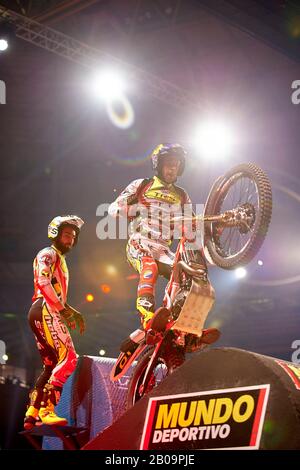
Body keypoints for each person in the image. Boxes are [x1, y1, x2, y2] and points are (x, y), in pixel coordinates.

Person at [109, 143, 219, 356]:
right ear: (158, 165)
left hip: (163, 249)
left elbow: (189, 225)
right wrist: (137, 208)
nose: (172, 169)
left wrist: (207, 229)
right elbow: (114, 209)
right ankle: (147, 316)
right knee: (148, 265)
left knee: (194, 277)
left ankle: (187, 331)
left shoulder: (182, 194)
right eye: (169, 165)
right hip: (140, 243)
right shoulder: (142, 185)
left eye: (177, 166)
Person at [24, 215, 85, 430]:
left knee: (50, 364)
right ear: (55, 233)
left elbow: (50, 286)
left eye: (73, 237)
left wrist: (69, 310)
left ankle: (32, 413)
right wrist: (62, 310)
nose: (70, 240)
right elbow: (43, 281)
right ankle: (47, 409)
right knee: (69, 358)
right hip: (45, 308)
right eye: (67, 235)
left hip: (41, 309)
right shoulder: (49, 253)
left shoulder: (57, 256)